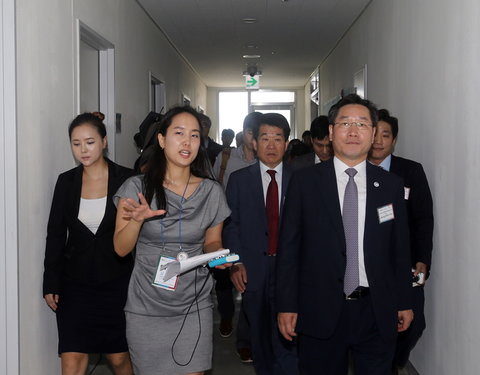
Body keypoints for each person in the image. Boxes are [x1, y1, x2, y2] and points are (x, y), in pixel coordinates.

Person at [276, 94, 413, 375]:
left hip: (376, 309)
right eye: (345, 123)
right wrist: (287, 304)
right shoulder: (305, 183)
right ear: (330, 131)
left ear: (373, 133)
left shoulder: (390, 185)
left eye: (362, 124)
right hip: (320, 308)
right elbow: (289, 248)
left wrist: (404, 301)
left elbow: (399, 249)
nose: (353, 131)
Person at [113, 106, 231, 375]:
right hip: (146, 305)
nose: (187, 142)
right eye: (179, 133)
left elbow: (212, 242)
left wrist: (219, 256)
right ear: (162, 139)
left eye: (194, 135)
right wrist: (137, 220)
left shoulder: (212, 192)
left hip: (193, 303)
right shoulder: (136, 189)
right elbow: (120, 248)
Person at [43, 113, 135, 375]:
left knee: (118, 359)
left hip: (117, 283)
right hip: (75, 285)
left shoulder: (128, 179)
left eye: (90, 142)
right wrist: (51, 280)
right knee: (72, 360)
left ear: (104, 142)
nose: (83, 149)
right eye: (76, 143)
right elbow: (56, 234)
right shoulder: (66, 181)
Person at [225, 113, 297, 375]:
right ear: (253, 142)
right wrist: (235, 262)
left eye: (278, 138)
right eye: (265, 138)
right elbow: (231, 226)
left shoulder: (301, 179)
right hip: (253, 271)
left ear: (287, 143)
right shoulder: (239, 180)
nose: (271, 145)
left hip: (291, 273)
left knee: (290, 338)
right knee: (260, 339)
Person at [368, 109, 434, 373]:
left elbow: (423, 219)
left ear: (394, 140)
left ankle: (393, 363)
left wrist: (423, 259)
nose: (379, 141)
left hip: (405, 263)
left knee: (414, 322)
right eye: (375, 134)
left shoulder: (410, 171)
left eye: (386, 135)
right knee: (371, 322)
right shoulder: (354, 172)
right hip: (367, 265)